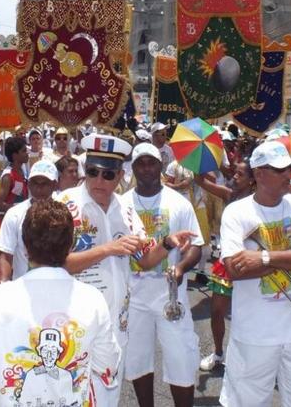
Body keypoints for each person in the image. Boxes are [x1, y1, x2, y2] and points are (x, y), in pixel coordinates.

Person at [60, 133, 197, 407]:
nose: (99, 181)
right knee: (72, 394)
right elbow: (56, 263)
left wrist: (168, 242)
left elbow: (145, 259)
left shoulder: (126, 210)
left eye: (108, 175)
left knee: (108, 394)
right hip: (76, 323)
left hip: (117, 324)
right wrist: (109, 249)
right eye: (92, 172)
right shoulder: (64, 205)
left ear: (120, 175)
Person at [0, 200, 121, 406]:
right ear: (71, 245)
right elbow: (108, 365)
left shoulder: (2, 297)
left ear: (25, 247)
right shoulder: (92, 299)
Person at [219, 141, 291, 406]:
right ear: (258, 174)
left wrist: (264, 257)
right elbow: (234, 269)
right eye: (279, 170)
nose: (287, 176)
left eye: (289, 170)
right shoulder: (236, 211)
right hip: (255, 333)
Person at [123, 143, 204, 407]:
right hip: (133, 298)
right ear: (133, 168)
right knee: (138, 359)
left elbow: (196, 245)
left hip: (171, 298)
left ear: (160, 165)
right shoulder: (121, 205)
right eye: (141, 164)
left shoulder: (179, 203)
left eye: (151, 163)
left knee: (181, 360)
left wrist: (180, 268)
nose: (146, 169)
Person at [194, 160, 255, 371]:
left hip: (251, 265)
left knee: (248, 314)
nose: (235, 177)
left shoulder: (260, 202)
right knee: (217, 311)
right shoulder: (230, 195)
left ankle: (251, 357)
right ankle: (218, 352)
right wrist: (202, 159)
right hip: (225, 263)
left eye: (240, 175)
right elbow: (199, 180)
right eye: (235, 173)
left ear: (252, 179)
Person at [0, 159, 59, 282]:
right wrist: (3, 288)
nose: (39, 188)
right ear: (28, 184)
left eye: (45, 183)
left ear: (55, 184)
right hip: (23, 288)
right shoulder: (14, 214)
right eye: (35, 183)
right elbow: (5, 255)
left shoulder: (66, 213)